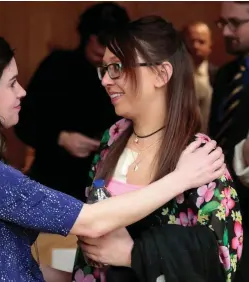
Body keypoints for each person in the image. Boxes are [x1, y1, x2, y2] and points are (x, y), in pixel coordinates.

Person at [0, 30, 226, 282]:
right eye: (12, 83)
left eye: (118, 67)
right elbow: (91, 221)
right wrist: (181, 178)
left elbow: (8, 265)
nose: (23, 92)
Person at [72, 16, 242, 282]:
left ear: (161, 74)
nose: (106, 80)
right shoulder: (112, 138)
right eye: (103, 69)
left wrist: (136, 254)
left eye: (117, 67)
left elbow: (224, 258)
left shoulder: (199, 157)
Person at [14, 2, 130, 201]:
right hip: (55, 182)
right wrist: (61, 138)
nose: (98, 46)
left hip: (110, 184)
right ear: (86, 36)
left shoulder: (125, 74)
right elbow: (24, 122)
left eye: (108, 42)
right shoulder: (57, 66)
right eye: (95, 38)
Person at [209, 2, 249, 281]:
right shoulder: (224, 74)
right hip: (223, 196)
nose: (226, 31)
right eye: (222, 23)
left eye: (235, 23)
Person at [182, 21, 218, 133]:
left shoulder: (219, 75)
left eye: (201, 42)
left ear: (210, 45)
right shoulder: (172, 74)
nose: (195, 46)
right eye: (191, 41)